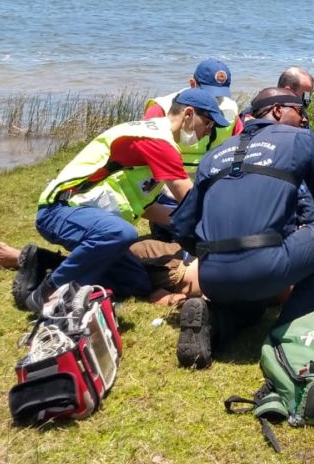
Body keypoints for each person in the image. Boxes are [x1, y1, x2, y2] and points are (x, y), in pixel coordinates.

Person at [171, 87, 314, 368]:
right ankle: (290, 323)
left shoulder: (216, 154)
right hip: (265, 267)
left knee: (253, 307)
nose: (305, 120)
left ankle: (215, 324)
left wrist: (212, 256)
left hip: (212, 276)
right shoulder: (300, 140)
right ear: (276, 111)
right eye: (300, 111)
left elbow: (182, 226)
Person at [20, 88, 229, 312]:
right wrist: (225, 228)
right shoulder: (158, 141)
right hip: (60, 210)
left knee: (138, 283)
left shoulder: (160, 139)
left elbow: (149, 210)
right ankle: (45, 293)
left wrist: (182, 222)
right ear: (188, 114)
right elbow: (190, 200)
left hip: (92, 218)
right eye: (208, 123)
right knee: (122, 233)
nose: (209, 132)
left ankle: (43, 261)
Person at [0, 238, 201, 307]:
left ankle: (34, 259)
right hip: (172, 262)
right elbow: (158, 297)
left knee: (115, 274)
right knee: (105, 265)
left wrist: (175, 299)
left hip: (177, 268)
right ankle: (27, 259)